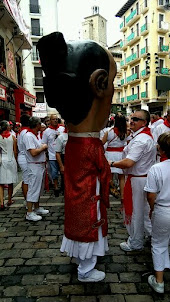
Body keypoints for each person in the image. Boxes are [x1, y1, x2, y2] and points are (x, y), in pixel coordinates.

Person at [37, 31, 117, 282]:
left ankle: (84, 259)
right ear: (99, 83)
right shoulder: (89, 145)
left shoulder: (73, 141)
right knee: (89, 212)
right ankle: (86, 266)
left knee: (80, 211)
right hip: (87, 205)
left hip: (78, 157)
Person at [110, 109, 156, 251]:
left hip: (138, 180)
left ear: (144, 122)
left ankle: (136, 242)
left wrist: (110, 164)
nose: (132, 121)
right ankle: (152, 236)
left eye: (136, 119)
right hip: (141, 178)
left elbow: (129, 163)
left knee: (136, 212)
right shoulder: (141, 136)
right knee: (144, 211)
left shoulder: (141, 139)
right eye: (131, 118)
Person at [144, 132, 170, 294]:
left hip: (163, 210)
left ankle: (159, 281)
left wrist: (153, 209)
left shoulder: (157, 169)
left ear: (161, 149)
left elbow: (151, 195)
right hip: (163, 210)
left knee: (159, 244)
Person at [23, 117, 49, 221]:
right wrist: (43, 148)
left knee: (39, 188)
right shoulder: (28, 136)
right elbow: (33, 153)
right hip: (34, 165)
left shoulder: (34, 135)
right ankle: (29, 212)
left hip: (39, 165)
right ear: (37, 125)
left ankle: (37, 207)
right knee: (33, 188)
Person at [104, 114, 127, 202]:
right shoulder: (126, 132)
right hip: (121, 155)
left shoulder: (109, 132)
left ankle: (109, 193)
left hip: (109, 155)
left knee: (109, 177)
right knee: (121, 177)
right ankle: (122, 197)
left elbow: (101, 143)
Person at [0, 120, 18, 210]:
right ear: (7, 127)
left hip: (2, 160)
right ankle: (9, 200)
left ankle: (1, 202)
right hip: (11, 159)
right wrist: (15, 159)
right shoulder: (13, 137)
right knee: (10, 182)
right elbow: (15, 151)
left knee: (1, 183)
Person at [41, 114, 60, 196]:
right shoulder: (46, 132)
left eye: (56, 119)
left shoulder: (62, 129)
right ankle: (56, 187)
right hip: (52, 155)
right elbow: (44, 143)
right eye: (53, 119)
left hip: (62, 154)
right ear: (50, 121)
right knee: (54, 172)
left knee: (63, 172)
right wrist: (47, 154)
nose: (55, 120)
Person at [17, 114, 30, 202]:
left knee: (26, 179)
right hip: (25, 157)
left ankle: (27, 199)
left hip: (23, 157)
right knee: (27, 180)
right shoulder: (25, 132)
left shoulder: (22, 132)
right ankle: (27, 200)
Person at [54, 126, 68, 194]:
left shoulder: (77, 136)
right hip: (65, 158)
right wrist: (61, 166)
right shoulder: (61, 137)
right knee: (65, 180)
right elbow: (57, 153)